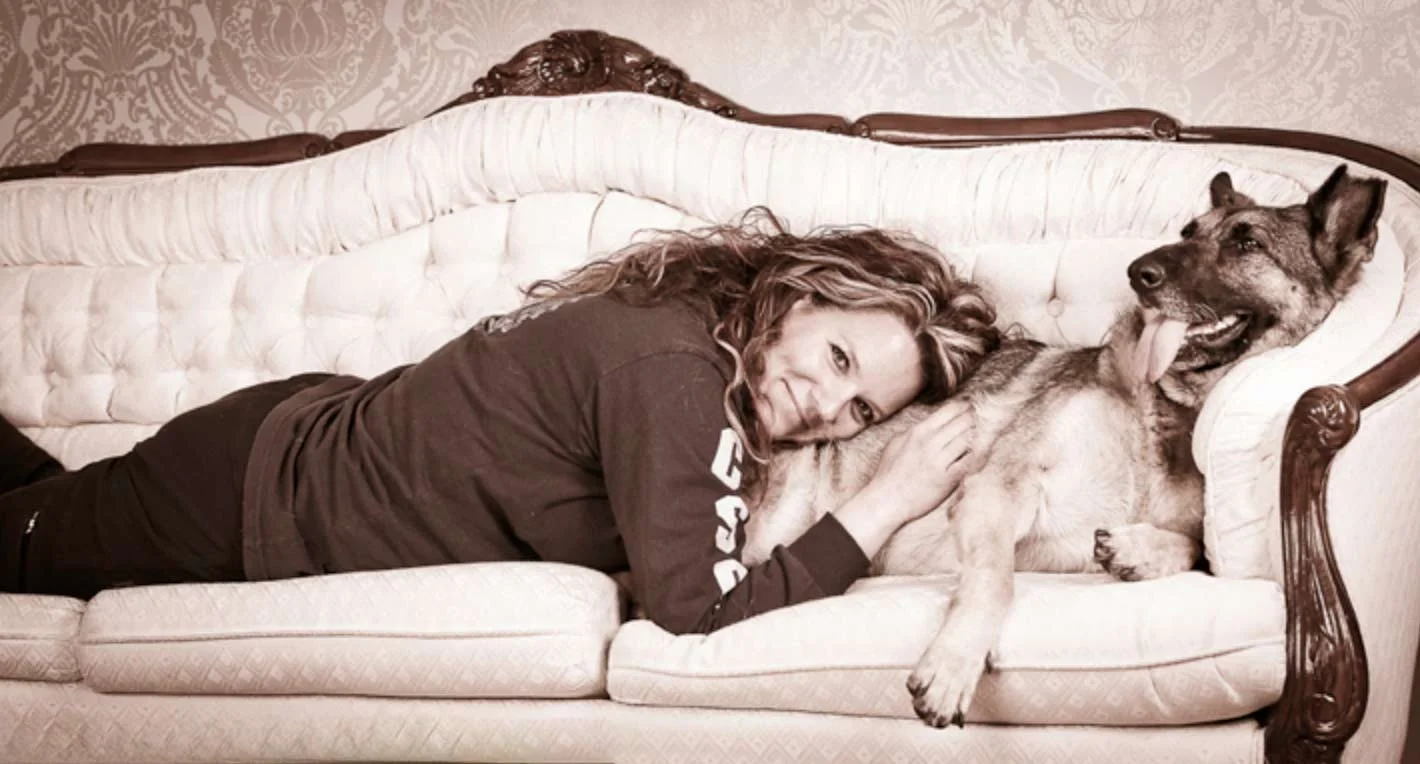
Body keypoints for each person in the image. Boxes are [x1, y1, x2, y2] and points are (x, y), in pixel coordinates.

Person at [0, 209, 998, 635]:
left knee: (33, 505)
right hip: (243, 497)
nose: (828, 408)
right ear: (801, 291)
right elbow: (694, 609)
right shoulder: (677, 375)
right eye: (835, 359)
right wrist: (883, 504)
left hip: (282, 440)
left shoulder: (706, 342)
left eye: (862, 406)